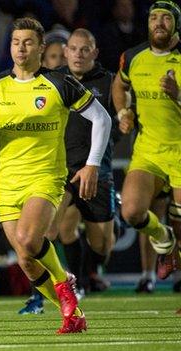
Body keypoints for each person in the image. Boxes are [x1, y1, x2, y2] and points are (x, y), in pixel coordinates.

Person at [0, 17, 112, 333]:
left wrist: (92, 164)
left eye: (28, 42)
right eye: (16, 42)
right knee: (26, 260)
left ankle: (64, 281)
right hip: (7, 182)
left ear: (42, 48)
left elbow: (102, 119)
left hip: (45, 176)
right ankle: (71, 313)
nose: (21, 47)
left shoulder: (59, 83)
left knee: (30, 240)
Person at [21, 28, 119, 314]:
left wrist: (98, 158)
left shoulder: (108, 81)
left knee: (102, 246)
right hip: (60, 170)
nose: (77, 54)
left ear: (94, 53)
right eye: (73, 49)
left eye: (84, 49)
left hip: (96, 170)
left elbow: (117, 121)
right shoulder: (55, 80)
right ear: (65, 52)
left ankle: (87, 272)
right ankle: (41, 295)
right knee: (46, 232)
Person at [112, 0, 181, 280]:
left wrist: (177, 95)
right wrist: (123, 113)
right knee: (131, 212)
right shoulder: (133, 57)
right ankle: (162, 235)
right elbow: (119, 84)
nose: (159, 23)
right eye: (154, 18)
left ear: (176, 23)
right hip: (148, 151)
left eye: (166, 18)